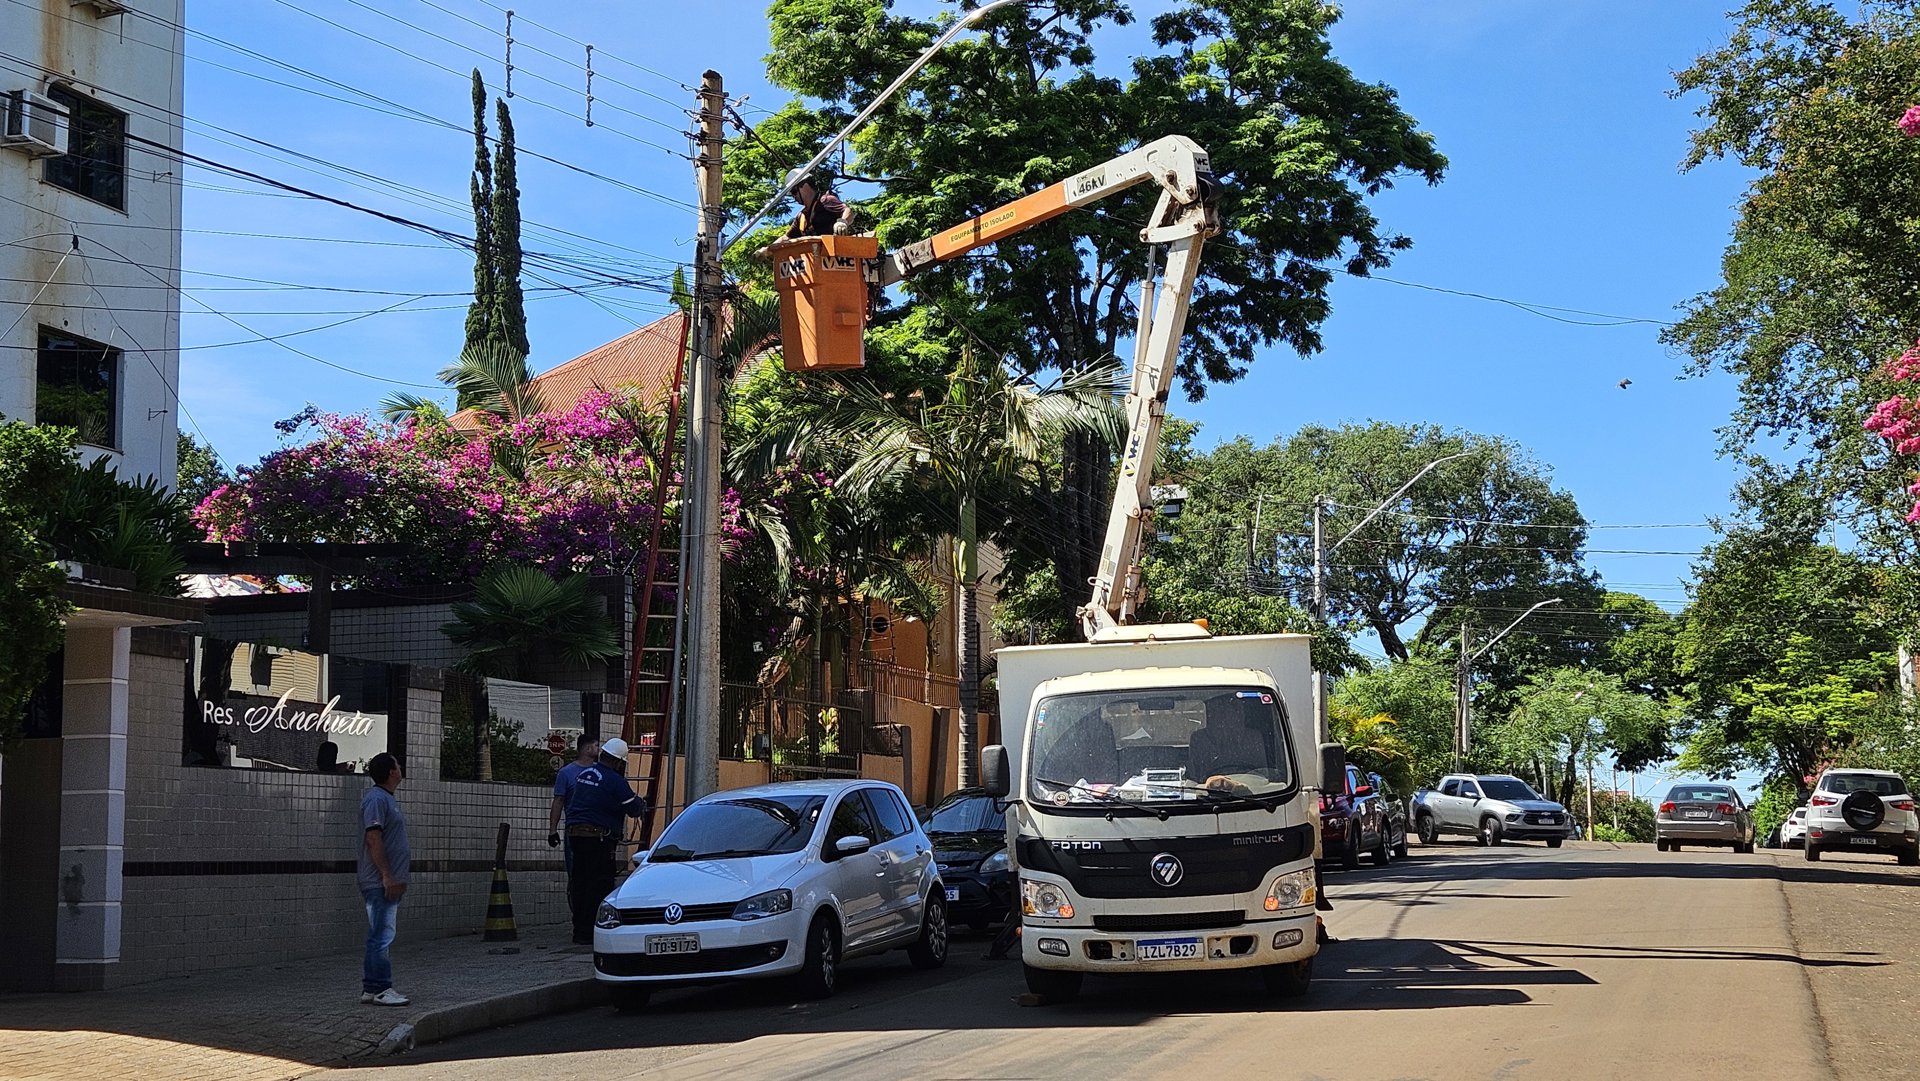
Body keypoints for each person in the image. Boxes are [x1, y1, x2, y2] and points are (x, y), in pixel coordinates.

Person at [563, 737, 649, 945]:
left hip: (575, 834)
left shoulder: (584, 774)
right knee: (598, 884)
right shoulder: (614, 781)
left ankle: (579, 930)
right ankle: (591, 931)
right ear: (619, 762)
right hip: (598, 839)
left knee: (580, 882)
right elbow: (634, 808)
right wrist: (641, 804)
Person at [358, 752, 410, 1005]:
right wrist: (387, 876)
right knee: (382, 934)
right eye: (398, 765)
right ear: (391, 772)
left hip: (385, 880)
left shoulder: (385, 799)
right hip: (379, 881)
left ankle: (371, 987)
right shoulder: (377, 799)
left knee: (379, 933)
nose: (400, 769)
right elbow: (373, 838)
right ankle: (381, 988)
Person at [785, 174, 855, 239]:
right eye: (791, 194)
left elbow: (848, 211)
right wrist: (774, 248)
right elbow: (787, 238)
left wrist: (842, 222)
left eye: (794, 191)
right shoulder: (801, 216)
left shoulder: (825, 200)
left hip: (836, 248)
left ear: (805, 186)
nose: (793, 196)